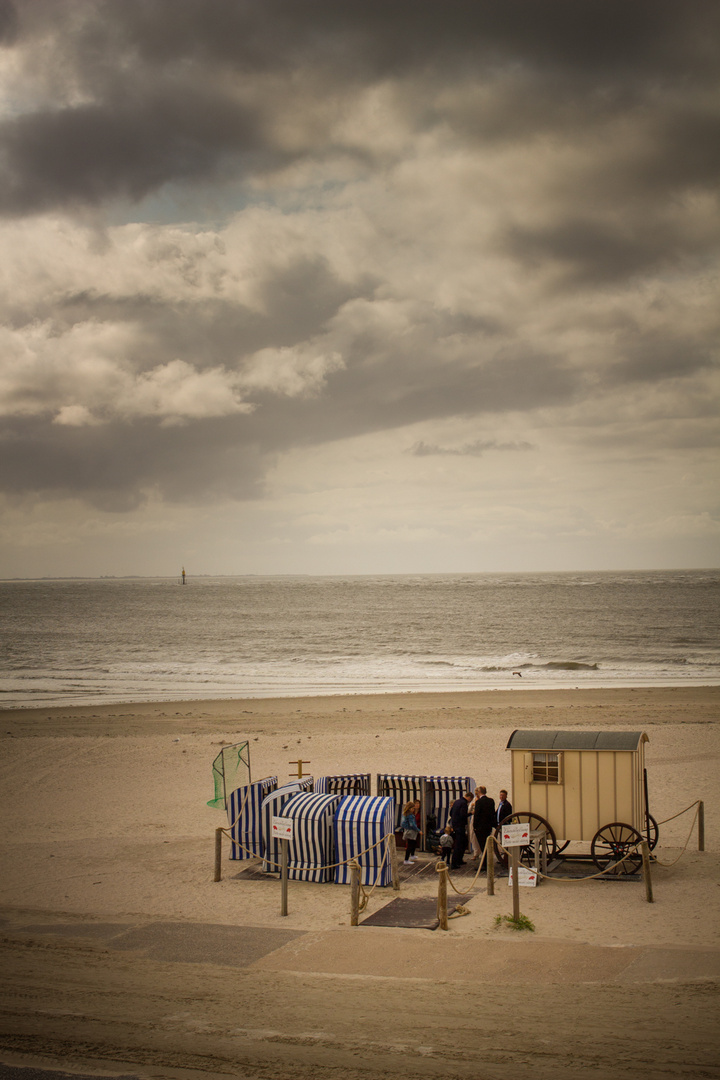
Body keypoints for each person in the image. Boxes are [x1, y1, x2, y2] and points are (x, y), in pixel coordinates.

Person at [449, 792, 473, 868]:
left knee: (463, 842)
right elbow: (463, 815)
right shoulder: (464, 804)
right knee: (459, 844)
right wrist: (471, 813)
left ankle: (459, 860)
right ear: (469, 797)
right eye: (470, 800)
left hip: (455, 825)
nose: (469, 801)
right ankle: (455, 862)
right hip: (460, 826)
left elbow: (451, 813)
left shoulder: (456, 802)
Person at [473, 785, 496, 863]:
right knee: (487, 844)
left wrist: (474, 826)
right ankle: (488, 860)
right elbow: (493, 813)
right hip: (488, 826)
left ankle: (485, 862)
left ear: (479, 792)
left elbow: (477, 815)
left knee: (483, 845)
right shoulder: (491, 801)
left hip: (480, 827)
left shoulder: (479, 802)